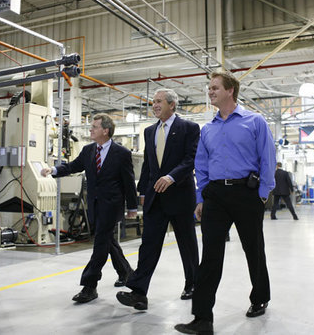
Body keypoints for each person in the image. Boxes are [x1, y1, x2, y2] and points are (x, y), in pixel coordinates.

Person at [175, 71, 276, 334]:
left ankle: (260, 298)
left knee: (253, 250)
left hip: (246, 193)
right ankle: (202, 318)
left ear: (230, 90)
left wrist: (263, 193)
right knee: (210, 256)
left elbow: (268, 158)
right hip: (216, 196)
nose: (210, 92)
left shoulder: (254, 121)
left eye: (214, 87)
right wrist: (201, 197)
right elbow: (201, 165)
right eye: (208, 88)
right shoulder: (208, 129)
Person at [116, 88, 200, 310]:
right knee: (149, 245)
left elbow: (191, 159)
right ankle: (138, 292)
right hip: (156, 197)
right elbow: (148, 165)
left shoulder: (189, 128)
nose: (154, 105)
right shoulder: (149, 131)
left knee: (187, 244)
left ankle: (193, 283)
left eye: (159, 101)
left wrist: (172, 177)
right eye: (152, 102)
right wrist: (142, 193)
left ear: (172, 105)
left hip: (180, 195)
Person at [41, 113, 137, 303]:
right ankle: (127, 273)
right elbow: (73, 166)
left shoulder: (121, 153)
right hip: (94, 205)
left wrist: (132, 207)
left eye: (94, 126)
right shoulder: (88, 150)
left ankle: (89, 286)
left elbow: (128, 182)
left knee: (100, 243)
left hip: (111, 205)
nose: (91, 129)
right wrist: (53, 170)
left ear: (106, 131)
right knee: (107, 240)